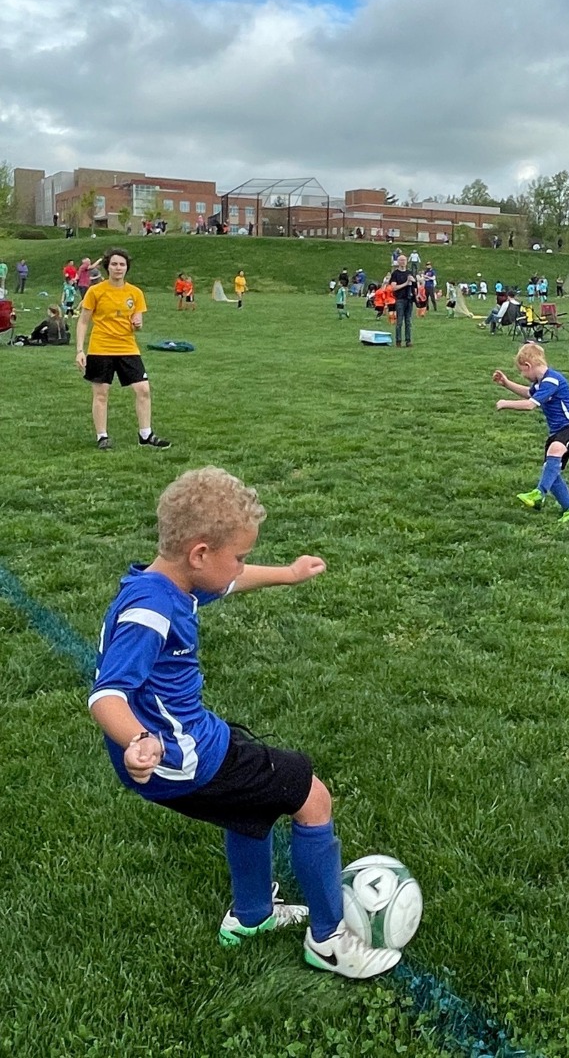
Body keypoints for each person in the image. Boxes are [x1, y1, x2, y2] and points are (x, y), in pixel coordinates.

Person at [87, 466, 401, 980]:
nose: (243, 565)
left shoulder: (165, 582)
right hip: (181, 759)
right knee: (311, 796)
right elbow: (107, 695)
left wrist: (290, 573)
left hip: (188, 743)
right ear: (200, 553)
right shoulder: (150, 614)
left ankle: (252, 916)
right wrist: (138, 739)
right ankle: (329, 941)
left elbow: (228, 583)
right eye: (240, 555)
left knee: (248, 807)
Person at [75, 247, 170, 451]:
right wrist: (80, 350)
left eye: (122, 264)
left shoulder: (135, 293)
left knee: (143, 389)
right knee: (101, 393)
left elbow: (138, 319)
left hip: (127, 347)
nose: (118, 268)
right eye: (114, 264)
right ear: (107, 267)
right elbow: (83, 321)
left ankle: (146, 434)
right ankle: (102, 436)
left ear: (127, 268)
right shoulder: (96, 291)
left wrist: (138, 322)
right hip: (101, 348)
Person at [493, 342, 569, 522]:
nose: (523, 375)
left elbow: (530, 405)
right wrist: (506, 383)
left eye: (522, 371)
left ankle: (538, 493)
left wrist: (506, 403)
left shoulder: (552, 380)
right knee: (552, 471)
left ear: (528, 366)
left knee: (555, 450)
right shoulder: (542, 382)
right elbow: (529, 394)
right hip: (558, 431)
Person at [389, 258, 416, 346]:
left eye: (404, 260)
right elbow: (393, 287)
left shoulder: (409, 273)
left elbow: (415, 286)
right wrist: (406, 283)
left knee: (408, 321)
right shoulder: (395, 274)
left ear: (407, 261)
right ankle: (398, 340)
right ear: (398, 262)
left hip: (409, 299)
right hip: (400, 299)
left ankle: (408, 340)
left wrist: (414, 281)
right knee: (399, 321)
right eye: (401, 260)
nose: (403, 262)